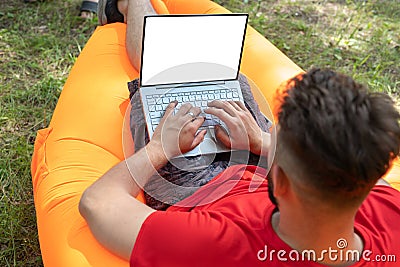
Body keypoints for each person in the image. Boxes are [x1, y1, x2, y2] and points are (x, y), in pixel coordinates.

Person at [79, 0, 400, 266]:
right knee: (233, 84)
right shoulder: (390, 216)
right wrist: (260, 140)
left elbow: (97, 203)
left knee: (166, 74)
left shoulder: (218, 244)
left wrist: (159, 149)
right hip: (273, 173)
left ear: (283, 180)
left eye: (278, 135)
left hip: (197, 188)